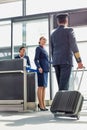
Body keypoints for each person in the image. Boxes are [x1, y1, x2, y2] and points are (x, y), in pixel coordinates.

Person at [50, 13, 84, 91]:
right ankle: (62, 102)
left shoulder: (53, 33)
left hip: (56, 62)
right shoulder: (69, 30)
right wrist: (79, 61)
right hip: (66, 61)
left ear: (58, 22)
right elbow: (74, 46)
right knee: (64, 87)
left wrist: (54, 61)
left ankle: (61, 102)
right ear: (66, 21)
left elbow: (52, 49)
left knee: (61, 86)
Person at [34, 36, 50, 111]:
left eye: (45, 40)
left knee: (44, 87)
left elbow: (47, 60)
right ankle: (40, 105)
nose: (44, 41)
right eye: (43, 39)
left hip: (46, 70)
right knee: (40, 87)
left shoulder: (45, 50)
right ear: (39, 40)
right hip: (41, 70)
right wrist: (39, 67)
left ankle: (43, 104)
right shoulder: (38, 48)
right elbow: (35, 59)